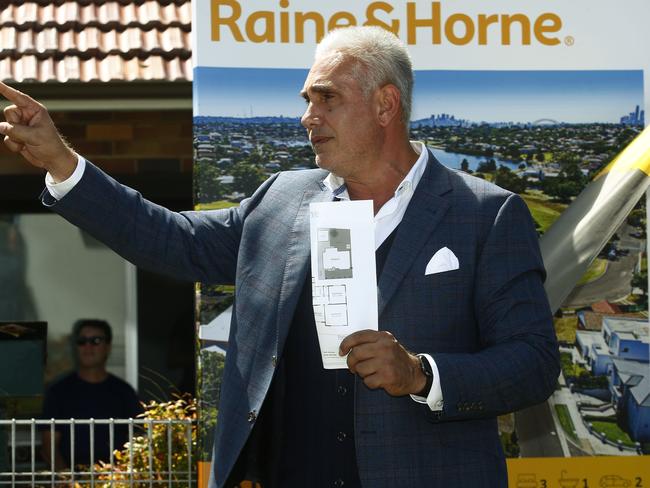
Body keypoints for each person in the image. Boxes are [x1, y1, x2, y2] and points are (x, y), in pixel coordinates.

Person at [1, 26, 559, 487]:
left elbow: (533, 364)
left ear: (387, 104)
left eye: (328, 98)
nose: (307, 117)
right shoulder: (282, 199)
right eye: (307, 100)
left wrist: (420, 373)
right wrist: (63, 164)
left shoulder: (487, 215)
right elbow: (169, 237)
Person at [40, 319, 142, 469]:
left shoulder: (124, 392)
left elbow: (139, 441)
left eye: (96, 340)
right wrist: (69, 482)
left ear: (108, 347)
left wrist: (123, 478)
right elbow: (49, 446)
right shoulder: (58, 391)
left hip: (116, 480)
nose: (88, 346)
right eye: (82, 341)